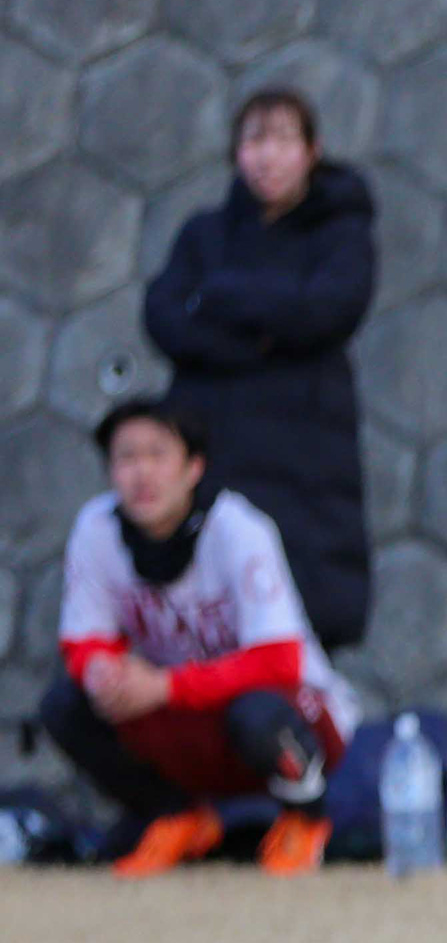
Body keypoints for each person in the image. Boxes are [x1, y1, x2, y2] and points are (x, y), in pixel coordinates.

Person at [42, 398, 361, 878]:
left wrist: (164, 686)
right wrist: (103, 672)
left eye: (157, 454)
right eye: (127, 457)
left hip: (288, 716)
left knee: (257, 712)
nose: (142, 473)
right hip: (182, 716)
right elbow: (84, 639)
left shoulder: (238, 529)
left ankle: (306, 818)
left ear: (194, 467)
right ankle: (177, 816)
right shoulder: (96, 527)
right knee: (67, 704)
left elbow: (279, 662)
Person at [142, 88, 378, 650]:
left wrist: (222, 296)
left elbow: (328, 310)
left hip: (305, 450)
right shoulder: (204, 234)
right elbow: (165, 316)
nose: (267, 156)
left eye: (284, 140)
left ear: (312, 151)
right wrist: (265, 335)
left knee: (297, 611)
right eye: (254, 140)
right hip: (212, 437)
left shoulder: (340, 233)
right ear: (235, 152)